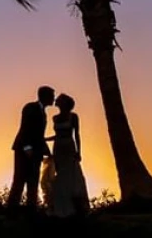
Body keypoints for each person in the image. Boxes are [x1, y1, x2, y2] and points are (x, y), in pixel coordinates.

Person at [7, 85, 55, 213]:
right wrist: (27, 147)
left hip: (36, 152)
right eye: (52, 96)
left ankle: (31, 211)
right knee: (19, 179)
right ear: (45, 96)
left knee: (33, 181)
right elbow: (25, 128)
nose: (54, 99)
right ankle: (11, 211)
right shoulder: (30, 108)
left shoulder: (43, 112)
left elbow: (39, 135)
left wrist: (46, 151)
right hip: (24, 150)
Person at [42, 93, 90, 218]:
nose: (56, 101)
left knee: (70, 175)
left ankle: (73, 206)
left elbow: (77, 135)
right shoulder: (55, 118)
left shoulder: (73, 117)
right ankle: (61, 206)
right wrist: (46, 139)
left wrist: (79, 151)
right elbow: (57, 135)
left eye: (59, 100)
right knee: (60, 175)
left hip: (69, 147)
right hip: (58, 148)